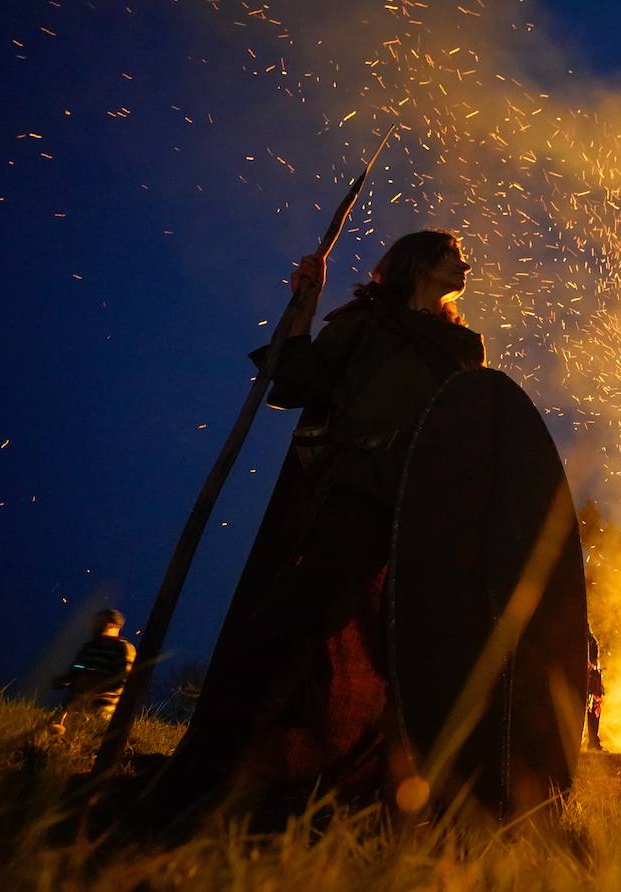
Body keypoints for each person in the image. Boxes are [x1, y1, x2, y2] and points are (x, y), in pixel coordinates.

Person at [160, 230, 486, 814]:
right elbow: (296, 381)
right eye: (452, 254)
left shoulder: (463, 347)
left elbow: (468, 431)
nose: (464, 263)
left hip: (425, 511)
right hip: (357, 492)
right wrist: (305, 304)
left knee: (413, 649)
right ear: (418, 264)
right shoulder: (363, 324)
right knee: (303, 618)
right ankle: (219, 772)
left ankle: (410, 796)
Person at [49, 609, 136, 734]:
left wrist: (95, 686)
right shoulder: (89, 647)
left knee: (88, 730)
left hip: (102, 708)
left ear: (114, 625)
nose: (97, 627)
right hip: (74, 704)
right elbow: (75, 671)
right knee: (54, 729)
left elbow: (125, 679)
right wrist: (62, 680)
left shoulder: (123, 648)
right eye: (97, 623)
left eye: (102, 623)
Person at [585, 630, 604, 752]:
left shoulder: (591, 640)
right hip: (583, 678)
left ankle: (593, 741)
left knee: (594, 711)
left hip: (592, 680)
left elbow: (594, 659)